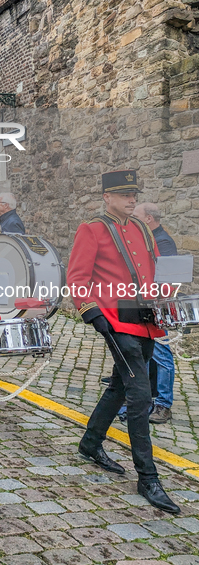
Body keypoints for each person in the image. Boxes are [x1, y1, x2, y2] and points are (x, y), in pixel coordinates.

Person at [67, 169, 180, 514]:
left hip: (144, 322)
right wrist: (91, 313)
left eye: (133, 194)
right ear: (107, 197)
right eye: (124, 194)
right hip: (115, 322)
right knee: (139, 394)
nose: (131, 199)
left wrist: (167, 298)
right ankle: (148, 478)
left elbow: (153, 270)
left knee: (118, 387)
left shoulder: (142, 228)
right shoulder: (93, 229)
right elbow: (76, 278)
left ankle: (90, 442)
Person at [133, 203, 177, 424]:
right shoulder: (148, 239)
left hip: (158, 307)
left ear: (148, 219)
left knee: (162, 355)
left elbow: (167, 278)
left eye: (136, 216)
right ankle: (147, 399)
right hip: (144, 304)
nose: (132, 218)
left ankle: (164, 405)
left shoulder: (163, 242)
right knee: (148, 354)